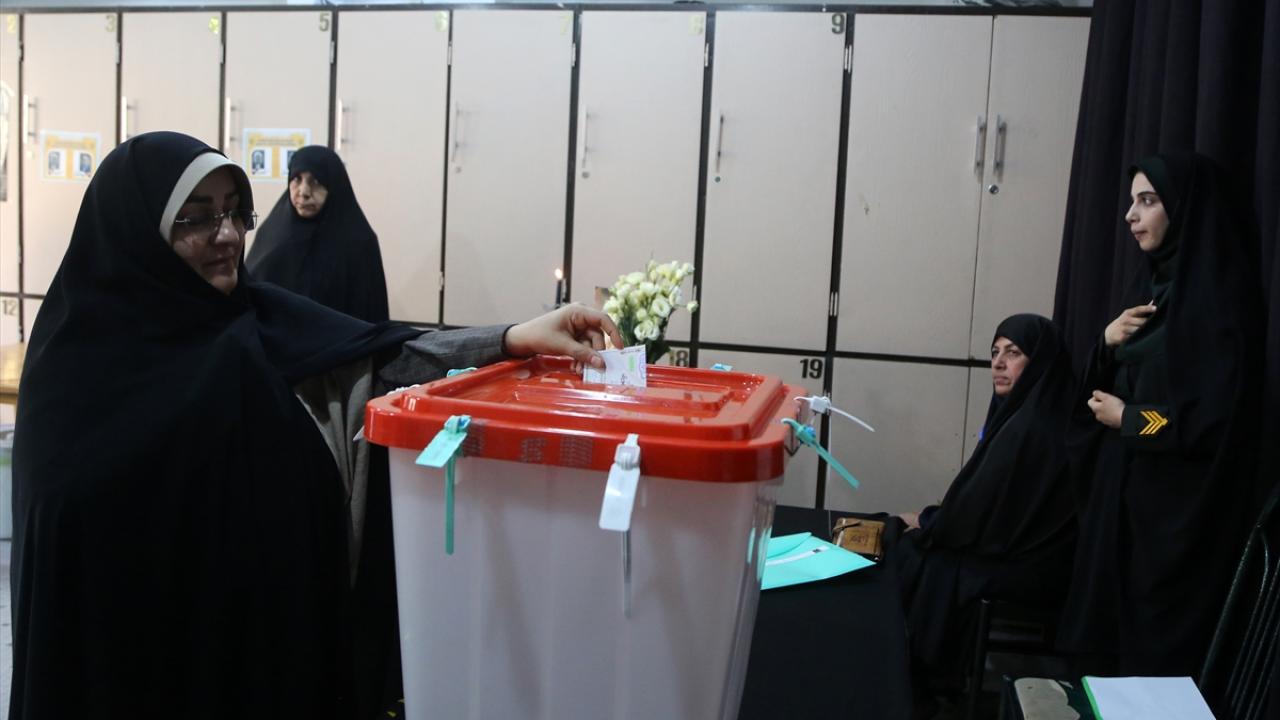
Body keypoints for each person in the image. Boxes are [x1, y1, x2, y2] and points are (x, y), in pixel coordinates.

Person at [8, 131, 621, 719]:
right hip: (126, 664)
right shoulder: (76, 367)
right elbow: (67, 544)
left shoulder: (259, 323)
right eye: (196, 218)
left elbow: (385, 355)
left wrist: (511, 338)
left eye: (234, 211)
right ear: (135, 231)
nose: (227, 235)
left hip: (250, 661)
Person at [1058, 152, 1265, 680]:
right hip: (1122, 509)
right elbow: (1094, 395)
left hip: (1174, 528)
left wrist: (1131, 420)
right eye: (1133, 201)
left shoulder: (1216, 308)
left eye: (1148, 201)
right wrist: (1105, 344)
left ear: (1183, 209)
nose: (1131, 215)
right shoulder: (1149, 293)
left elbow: (1210, 425)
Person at [892, 314, 1077, 688]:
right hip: (1025, 555)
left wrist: (927, 522)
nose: (998, 363)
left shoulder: (1031, 427)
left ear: (1040, 361)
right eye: (995, 352)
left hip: (1030, 567)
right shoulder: (1036, 414)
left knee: (912, 552)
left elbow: (973, 518)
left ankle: (918, 680)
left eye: (1014, 352)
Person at [247, 145, 390, 323]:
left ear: (334, 186)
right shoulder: (273, 235)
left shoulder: (359, 244)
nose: (304, 192)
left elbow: (371, 316)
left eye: (316, 181)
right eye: (297, 179)